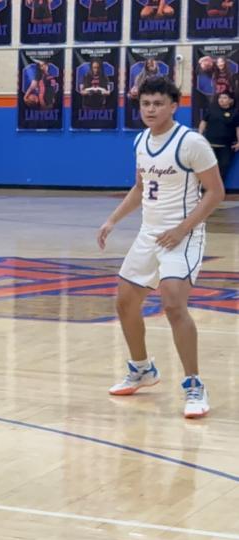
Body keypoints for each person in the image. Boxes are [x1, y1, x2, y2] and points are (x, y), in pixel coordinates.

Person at [97, 77, 225, 419]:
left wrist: (183, 228)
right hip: (149, 233)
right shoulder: (141, 140)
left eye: (157, 103)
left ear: (173, 105)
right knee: (125, 303)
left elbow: (216, 193)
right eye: (145, 104)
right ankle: (142, 369)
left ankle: (194, 383)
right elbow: (140, 187)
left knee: (172, 303)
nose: (150, 110)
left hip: (184, 235)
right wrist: (112, 220)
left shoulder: (191, 142)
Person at [199, 92, 239, 181]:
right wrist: (200, 136)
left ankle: (219, 192)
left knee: (223, 169)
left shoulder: (235, 113)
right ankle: (205, 190)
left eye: (224, 98)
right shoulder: (211, 110)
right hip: (210, 145)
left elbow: (238, 128)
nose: (221, 99)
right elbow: (203, 122)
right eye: (220, 97)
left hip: (227, 147)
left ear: (230, 100)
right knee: (208, 169)